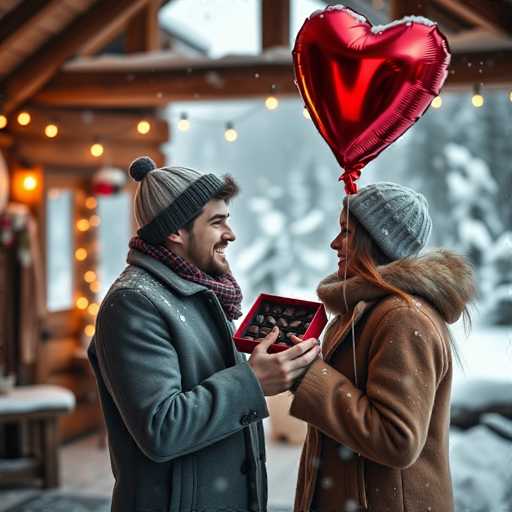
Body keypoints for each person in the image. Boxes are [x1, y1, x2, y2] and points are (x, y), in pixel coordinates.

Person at [87, 156, 320, 512]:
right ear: (176, 231)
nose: (231, 234)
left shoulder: (201, 291)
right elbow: (161, 428)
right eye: (217, 222)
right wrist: (253, 384)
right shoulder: (134, 303)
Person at [288, 182, 475, 512]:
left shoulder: (402, 318)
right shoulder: (363, 310)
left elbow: (396, 439)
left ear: (376, 240)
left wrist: (309, 377)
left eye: (346, 232)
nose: (335, 243)